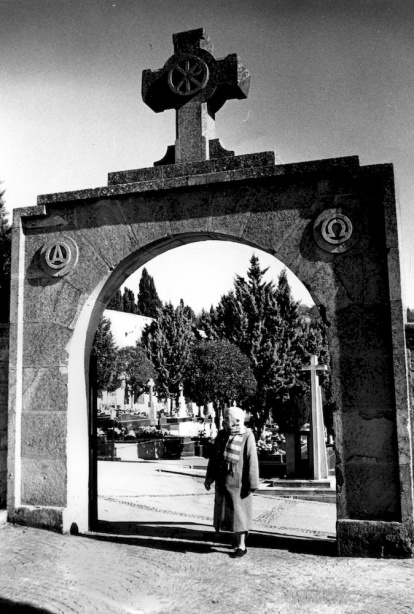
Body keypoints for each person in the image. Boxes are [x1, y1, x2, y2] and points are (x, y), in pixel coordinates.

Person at [204, 406, 259, 558]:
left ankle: (241, 545)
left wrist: (252, 483)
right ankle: (234, 540)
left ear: (235, 421)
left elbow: (251, 459)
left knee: (240, 514)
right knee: (227, 513)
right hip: (223, 480)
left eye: (227, 419)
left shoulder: (247, 435)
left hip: (239, 483)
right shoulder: (222, 435)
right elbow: (214, 458)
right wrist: (209, 476)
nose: (224, 422)